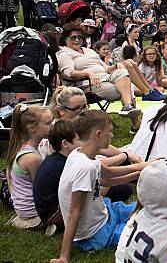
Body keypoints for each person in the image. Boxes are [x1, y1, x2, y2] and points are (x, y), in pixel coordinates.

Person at [52, 110, 153, 263]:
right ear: (98, 134)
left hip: (104, 212)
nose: (112, 136)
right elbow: (74, 211)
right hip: (95, 233)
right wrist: (64, 256)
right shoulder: (85, 167)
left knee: (145, 209)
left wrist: (141, 170)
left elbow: (108, 175)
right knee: (142, 230)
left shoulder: (79, 154)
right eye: (110, 132)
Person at [6, 103, 52, 228]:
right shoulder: (32, 158)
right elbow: (42, 189)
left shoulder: (24, 148)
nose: (52, 125)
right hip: (34, 212)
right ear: (32, 128)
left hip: (24, 210)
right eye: (48, 123)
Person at [33, 119, 77, 230]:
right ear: (65, 144)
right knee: (118, 190)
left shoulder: (54, 159)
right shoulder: (65, 165)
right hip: (53, 214)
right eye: (80, 139)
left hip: (45, 212)